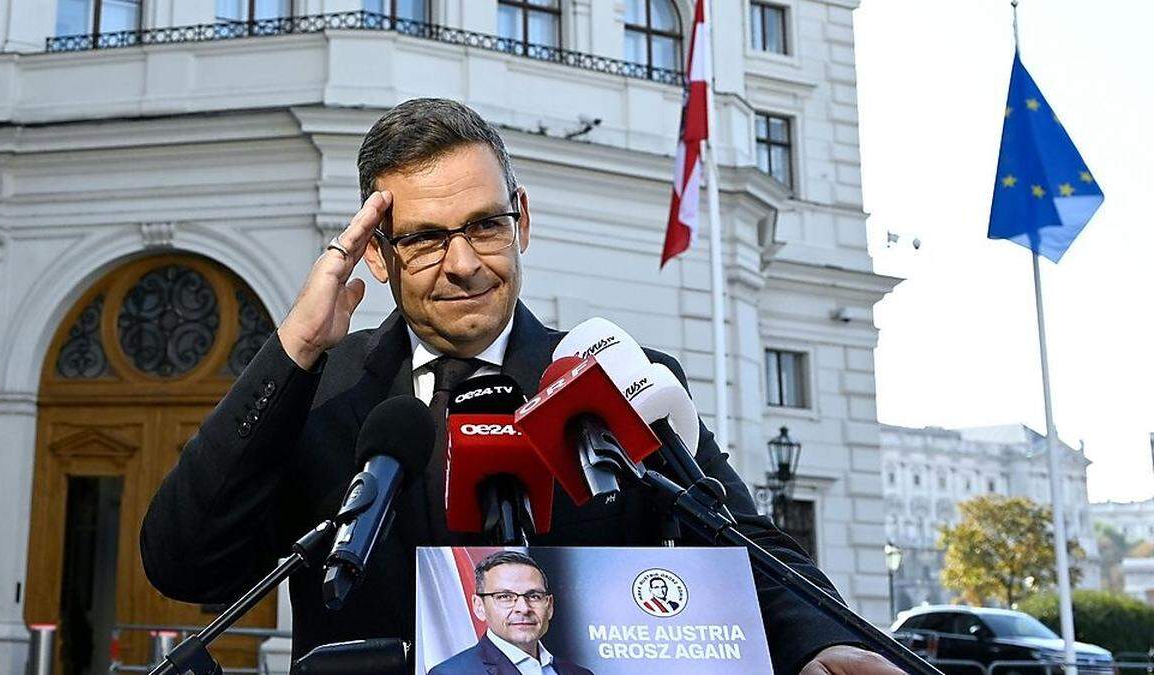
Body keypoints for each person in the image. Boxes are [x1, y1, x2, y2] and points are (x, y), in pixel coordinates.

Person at [140, 97, 903, 675]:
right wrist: (296, 346)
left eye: (485, 226)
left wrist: (820, 637)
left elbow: (740, 537)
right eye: (428, 238)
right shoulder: (322, 391)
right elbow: (184, 566)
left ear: (523, 220)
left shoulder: (618, 377)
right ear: (377, 253)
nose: (465, 262)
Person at [429, 551, 592, 675]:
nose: (523, 608)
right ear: (479, 606)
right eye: (505, 596)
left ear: (549, 606)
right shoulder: (450, 673)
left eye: (534, 596)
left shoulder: (580, 673)